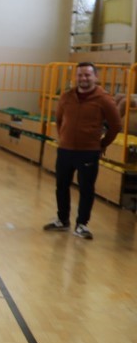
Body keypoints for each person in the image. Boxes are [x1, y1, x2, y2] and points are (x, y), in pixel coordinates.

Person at [44, 61, 121, 239]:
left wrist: (103, 144)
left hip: (88, 151)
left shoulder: (104, 99)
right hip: (65, 150)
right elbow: (59, 120)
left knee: (86, 189)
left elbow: (116, 125)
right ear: (75, 77)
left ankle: (82, 224)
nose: (83, 78)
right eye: (80, 75)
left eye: (87, 75)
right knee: (61, 185)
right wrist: (64, 138)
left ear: (95, 77)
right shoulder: (66, 97)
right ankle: (62, 220)